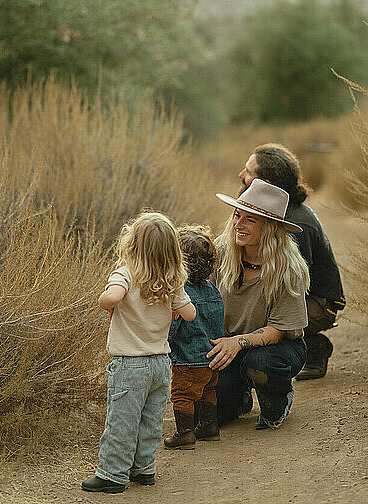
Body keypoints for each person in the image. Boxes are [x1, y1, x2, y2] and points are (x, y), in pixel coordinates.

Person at [81, 212, 196, 494]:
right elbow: (191, 314)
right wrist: (172, 307)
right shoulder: (171, 280)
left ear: (132, 245)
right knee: (150, 420)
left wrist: (108, 301)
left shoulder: (125, 274)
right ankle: (144, 469)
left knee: (122, 421)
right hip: (160, 363)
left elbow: (110, 298)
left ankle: (112, 474)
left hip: (130, 365)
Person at [238, 144, 346, 380]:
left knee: (259, 325)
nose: (241, 175)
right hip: (302, 296)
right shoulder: (270, 211)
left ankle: (314, 347)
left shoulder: (295, 222)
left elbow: (293, 285)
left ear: (265, 183)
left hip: (318, 302)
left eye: (248, 172)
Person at [209, 179, 309, 429]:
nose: (237, 225)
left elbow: (277, 331)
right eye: (236, 215)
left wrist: (237, 343)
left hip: (277, 347)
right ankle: (238, 397)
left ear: (270, 228)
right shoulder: (221, 250)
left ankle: (278, 398)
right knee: (210, 416)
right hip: (228, 343)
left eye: (249, 220)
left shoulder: (289, 269)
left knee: (260, 364)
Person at [164, 226, 224, 450]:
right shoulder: (212, 290)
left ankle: (184, 433)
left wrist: (163, 344)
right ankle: (209, 427)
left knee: (182, 395)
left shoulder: (180, 294)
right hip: (211, 358)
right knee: (208, 390)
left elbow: (173, 328)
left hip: (188, 361)